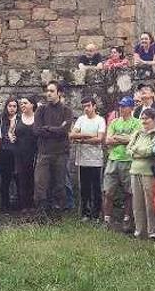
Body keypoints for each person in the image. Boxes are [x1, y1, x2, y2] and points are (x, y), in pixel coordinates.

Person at [33, 81, 74, 216]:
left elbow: (64, 130)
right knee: (41, 184)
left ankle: (57, 214)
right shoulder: (41, 110)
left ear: (59, 93)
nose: (48, 93)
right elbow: (37, 130)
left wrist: (48, 128)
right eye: (47, 91)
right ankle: (42, 214)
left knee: (59, 184)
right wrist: (56, 130)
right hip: (44, 153)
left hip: (60, 154)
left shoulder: (66, 111)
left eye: (51, 91)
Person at [103, 97, 141, 231]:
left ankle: (127, 219)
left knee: (128, 192)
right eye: (120, 106)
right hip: (113, 159)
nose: (121, 108)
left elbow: (133, 139)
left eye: (124, 106)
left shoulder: (137, 123)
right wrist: (123, 139)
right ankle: (107, 219)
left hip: (128, 160)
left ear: (131, 108)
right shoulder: (114, 122)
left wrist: (118, 138)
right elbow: (108, 140)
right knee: (108, 191)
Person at [126, 109, 155, 238]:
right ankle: (139, 230)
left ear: (154, 119)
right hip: (135, 170)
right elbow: (128, 149)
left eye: (147, 118)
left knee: (151, 203)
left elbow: (150, 151)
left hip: (149, 172)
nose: (144, 121)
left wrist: (136, 150)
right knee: (137, 202)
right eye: (142, 118)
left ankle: (153, 231)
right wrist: (137, 151)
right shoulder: (137, 133)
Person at [70, 97, 107, 221]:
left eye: (88, 106)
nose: (86, 109)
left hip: (96, 159)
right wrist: (89, 136)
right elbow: (72, 135)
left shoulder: (100, 120)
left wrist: (82, 140)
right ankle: (85, 213)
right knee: (84, 188)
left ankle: (96, 214)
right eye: (84, 106)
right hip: (82, 159)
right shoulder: (81, 119)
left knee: (96, 187)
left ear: (94, 106)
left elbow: (99, 139)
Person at [12, 96, 38, 213]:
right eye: (21, 104)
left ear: (32, 104)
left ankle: (32, 205)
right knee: (21, 179)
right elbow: (11, 132)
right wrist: (12, 137)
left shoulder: (38, 118)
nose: (22, 105)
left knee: (33, 179)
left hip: (34, 153)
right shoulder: (17, 118)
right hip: (20, 154)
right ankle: (23, 206)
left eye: (25, 103)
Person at [0, 98, 19, 213]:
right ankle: (5, 206)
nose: (12, 108)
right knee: (5, 180)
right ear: (6, 107)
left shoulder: (20, 120)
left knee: (18, 180)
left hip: (17, 154)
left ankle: (19, 205)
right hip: (5, 153)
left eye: (14, 106)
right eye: (10, 106)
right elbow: (0, 135)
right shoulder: (2, 120)